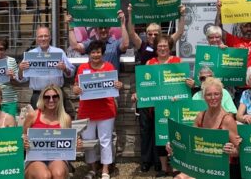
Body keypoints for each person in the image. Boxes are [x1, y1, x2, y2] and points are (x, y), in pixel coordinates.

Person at [167, 77, 241, 179]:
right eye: (209, 94)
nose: (213, 97)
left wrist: (232, 151)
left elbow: (239, 151)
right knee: (180, 178)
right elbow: (190, 143)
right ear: (204, 97)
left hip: (220, 168)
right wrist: (174, 146)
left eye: (216, 94)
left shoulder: (227, 120)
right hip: (201, 163)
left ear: (221, 96)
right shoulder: (200, 116)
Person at [73, 40, 124, 179]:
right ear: (89, 54)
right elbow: (75, 86)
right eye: (93, 52)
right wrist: (76, 89)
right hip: (87, 111)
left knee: (105, 140)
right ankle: (92, 169)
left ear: (103, 53)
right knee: (88, 141)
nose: (96, 55)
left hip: (106, 110)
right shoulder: (82, 68)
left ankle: (105, 170)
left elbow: (115, 84)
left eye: (98, 52)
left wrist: (119, 85)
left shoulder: (109, 66)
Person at [132, 34, 181, 176]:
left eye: (165, 45)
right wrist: (137, 94)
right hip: (155, 107)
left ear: (170, 47)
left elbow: (183, 82)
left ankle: (177, 165)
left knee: (174, 136)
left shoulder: (177, 61)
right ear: (155, 48)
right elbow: (144, 86)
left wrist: (188, 83)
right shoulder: (150, 63)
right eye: (160, 46)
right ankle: (164, 167)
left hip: (173, 105)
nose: (162, 48)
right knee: (161, 135)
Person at [22, 85, 73, 179]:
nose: (51, 100)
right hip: (35, 157)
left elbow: (68, 144)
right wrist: (24, 142)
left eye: (54, 96)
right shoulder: (33, 115)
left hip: (58, 156)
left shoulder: (66, 118)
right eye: (47, 97)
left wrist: (76, 146)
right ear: (42, 98)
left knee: (58, 173)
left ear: (59, 98)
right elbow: (23, 136)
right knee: (44, 176)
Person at [19, 26, 75, 108]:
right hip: (38, 95)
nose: (43, 38)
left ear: (50, 37)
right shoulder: (30, 54)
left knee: (58, 120)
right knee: (38, 120)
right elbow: (22, 79)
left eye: (46, 36)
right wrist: (20, 70)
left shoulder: (59, 52)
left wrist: (65, 69)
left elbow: (71, 73)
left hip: (56, 95)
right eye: (40, 36)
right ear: (36, 38)